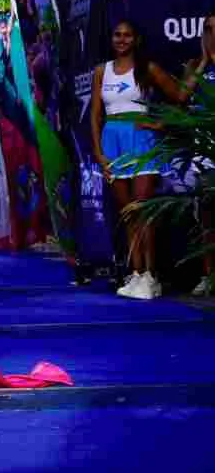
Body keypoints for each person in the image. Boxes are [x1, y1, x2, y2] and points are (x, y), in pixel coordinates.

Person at [90, 19, 200, 300]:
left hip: (141, 143)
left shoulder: (146, 68)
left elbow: (179, 96)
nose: (122, 39)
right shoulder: (102, 72)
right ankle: (137, 273)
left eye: (127, 35)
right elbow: (95, 116)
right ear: (112, 38)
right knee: (128, 213)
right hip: (112, 143)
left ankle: (151, 276)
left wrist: (159, 124)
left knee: (143, 210)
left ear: (136, 39)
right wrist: (99, 153)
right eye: (117, 34)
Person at [182, 11, 215, 296]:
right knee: (206, 217)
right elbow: (182, 97)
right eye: (208, 29)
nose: (212, 34)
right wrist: (205, 60)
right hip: (204, 154)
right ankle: (208, 275)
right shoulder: (195, 65)